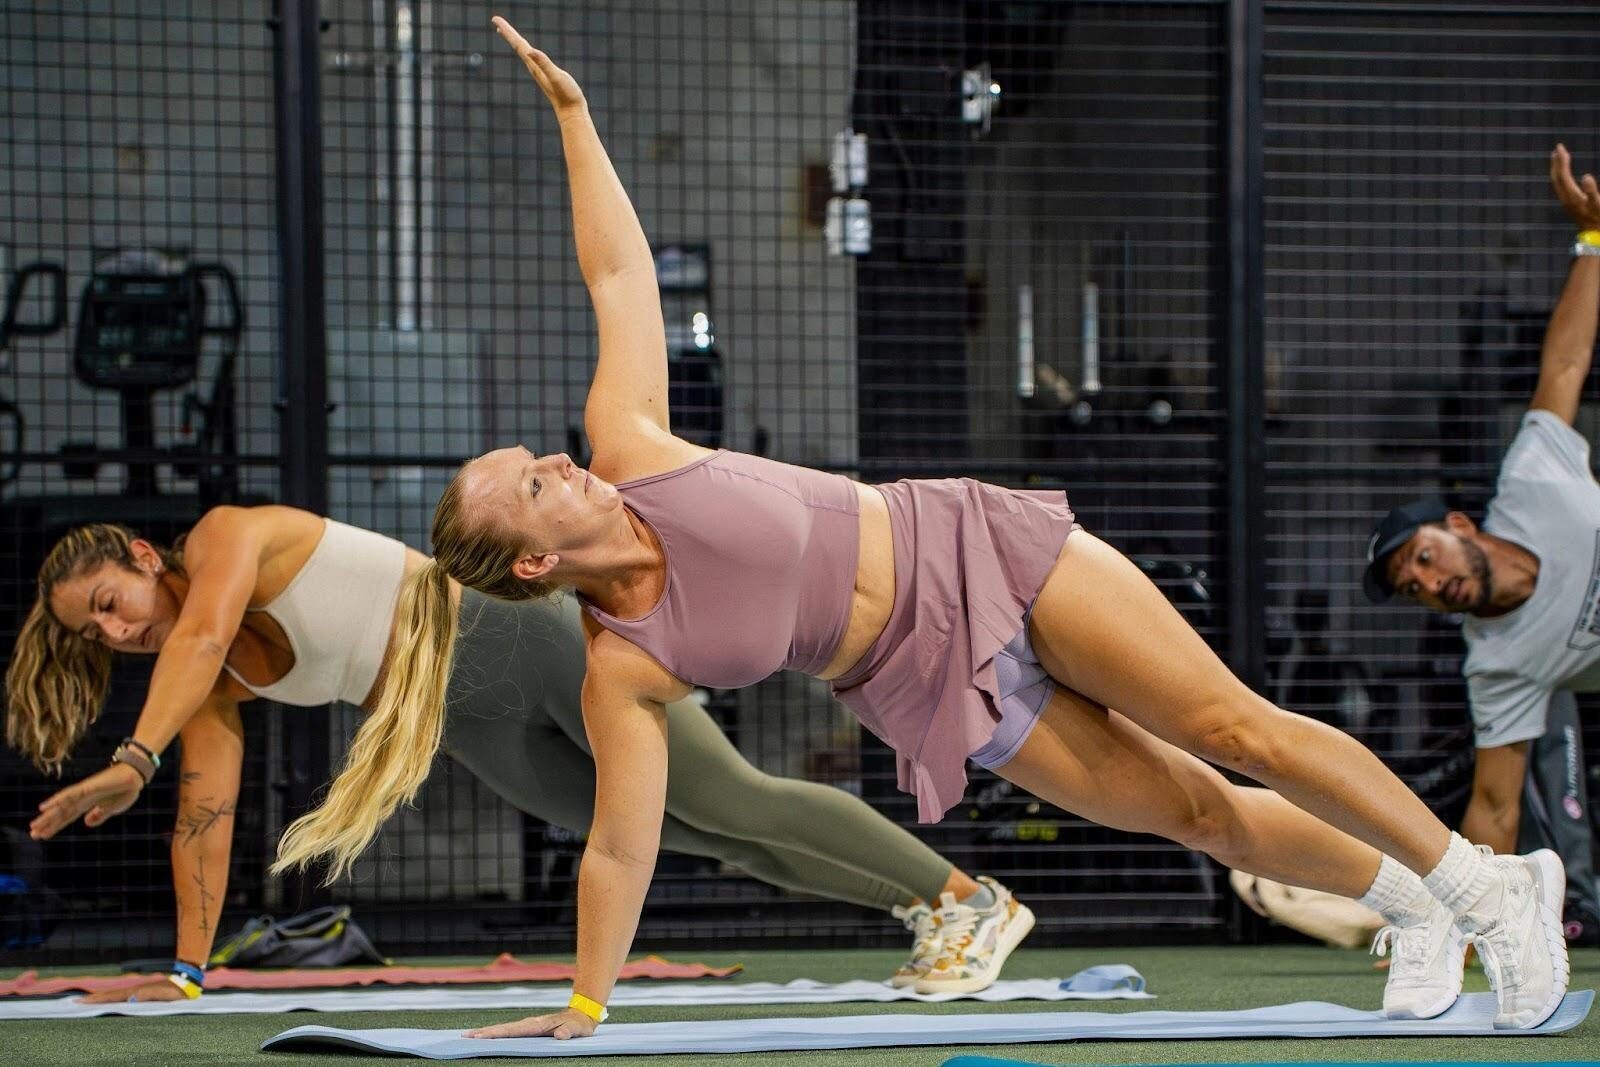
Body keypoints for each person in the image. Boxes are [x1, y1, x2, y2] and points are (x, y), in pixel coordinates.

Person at [152, 19, 1578, 1036]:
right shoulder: (623, 665)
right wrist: (582, 1003)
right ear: (531, 557)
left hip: (974, 554)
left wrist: (580, 123)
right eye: (533, 480)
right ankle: (1419, 904)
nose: (555, 459)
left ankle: (1486, 882)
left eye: (538, 454)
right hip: (918, 679)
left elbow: (616, 271)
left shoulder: (634, 442)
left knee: (1237, 731)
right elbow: (620, 848)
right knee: (1201, 818)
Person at [8, 509, 1021, 1001]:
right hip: (464, 715)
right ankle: (924, 908)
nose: (115, 630)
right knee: (688, 830)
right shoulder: (213, 678)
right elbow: (207, 806)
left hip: (509, 633)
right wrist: (187, 969)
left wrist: (131, 753)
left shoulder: (224, 538)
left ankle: (972, 897)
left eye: (109, 604)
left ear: (144, 557)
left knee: (732, 794)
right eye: (94, 635)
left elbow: (190, 637)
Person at [1364, 144, 1600, 935]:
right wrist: (1455, 923)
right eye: (1413, 587)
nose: (1429, 582)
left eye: (1424, 557)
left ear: (1460, 526)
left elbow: (1564, 362)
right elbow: (1495, 808)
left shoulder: (1533, 478)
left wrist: (1594, 241)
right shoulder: (1498, 665)